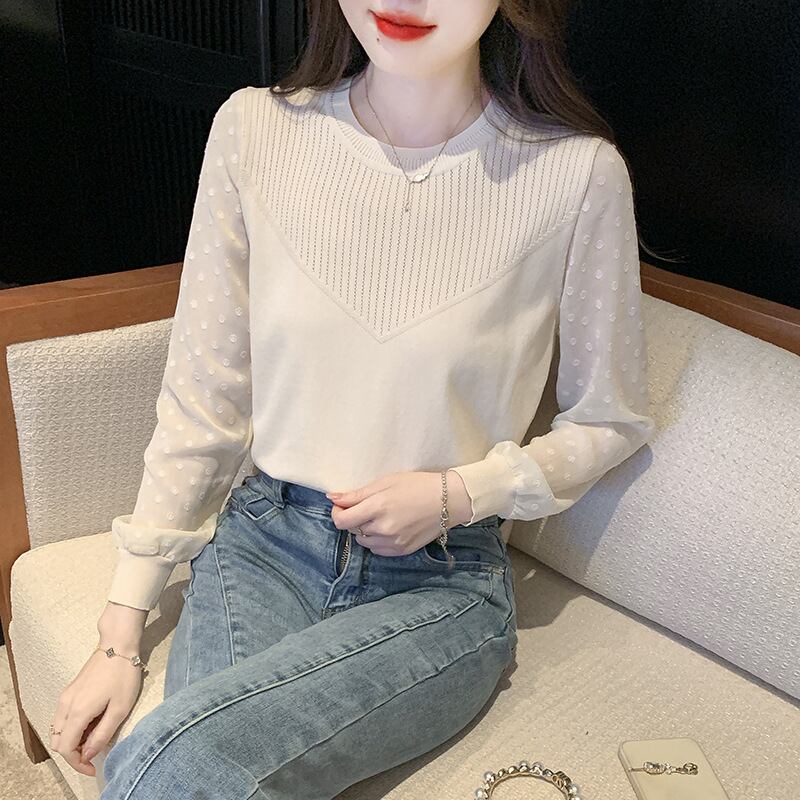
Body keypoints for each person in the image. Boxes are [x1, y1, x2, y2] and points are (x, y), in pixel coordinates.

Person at [49, 1, 657, 797]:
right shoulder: (254, 131)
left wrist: (461, 491)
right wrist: (120, 632)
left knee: (181, 761)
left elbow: (609, 417)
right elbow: (204, 395)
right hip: (264, 545)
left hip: (443, 578)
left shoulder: (576, 175)